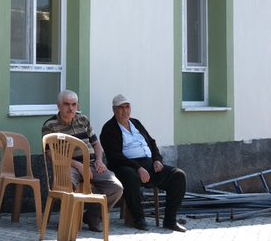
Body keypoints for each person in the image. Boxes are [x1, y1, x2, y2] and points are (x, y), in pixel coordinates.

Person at [100, 94, 188, 232]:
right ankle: (139, 219)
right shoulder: (109, 128)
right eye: (120, 108)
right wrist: (138, 168)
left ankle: (170, 220)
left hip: (149, 164)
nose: (125, 110)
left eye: (127, 107)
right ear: (114, 110)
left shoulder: (136, 123)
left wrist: (158, 160)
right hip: (125, 166)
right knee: (130, 175)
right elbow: (114, 156)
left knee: (178, 175)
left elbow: (151, 142)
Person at [41, 89, 124, 232]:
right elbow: (51, 154)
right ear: (58, 106)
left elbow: (96, 144)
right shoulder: (50, 125)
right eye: (66, 104)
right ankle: (66, 221)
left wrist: (99, 160)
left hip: (92, 165)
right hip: (68, 166)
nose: (70, 108)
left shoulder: (83, 120)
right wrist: (77, 164)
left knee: (116, 188)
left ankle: (92, 216)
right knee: (67, 184)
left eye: (74, 104)